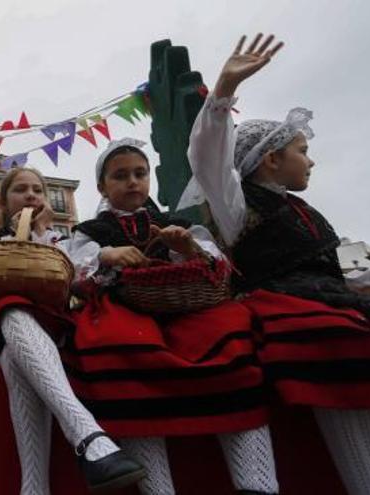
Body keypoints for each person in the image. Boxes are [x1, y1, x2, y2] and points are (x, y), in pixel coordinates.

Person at [186, 33, 370, 495]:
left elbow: (328, 267)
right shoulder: (237, 204)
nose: (311, 160)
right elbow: (206, 159)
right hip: (290, 313)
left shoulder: (307, 212)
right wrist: (222, 91)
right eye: (302, 150)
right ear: (272, 159)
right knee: (338, 372)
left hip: (332, 303)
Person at [65, 138, 278, 495]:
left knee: (228, 336)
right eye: (120, 176)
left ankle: (256, 481)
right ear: (102, 186)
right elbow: (72, 271)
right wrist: (106, 255)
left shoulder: (174, 222)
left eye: (140, 173)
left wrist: (188, 249)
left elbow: (217, 265)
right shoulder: (90, 231)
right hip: (123, 307)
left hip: (186, 307)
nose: (132, 181)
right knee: (123, 348)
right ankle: (157, 487)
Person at [0, 167, 145, 494]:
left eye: (38, 189)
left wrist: (42, 233)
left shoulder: (60, 241)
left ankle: (34, 487)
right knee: (13, 307)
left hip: (53, 329)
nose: (31, 195)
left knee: (14, 359)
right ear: (4, 201)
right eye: (20, 189)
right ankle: (87, 435)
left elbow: (80, 281)